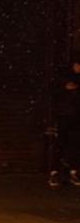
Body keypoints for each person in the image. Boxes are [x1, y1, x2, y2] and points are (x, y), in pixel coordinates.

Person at [50, 53, 80, 187]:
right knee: (61, 143)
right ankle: (56, 172)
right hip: (65, 117)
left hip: (73, 117)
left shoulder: (69, 81)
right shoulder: (63, 80)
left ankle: (71, 171)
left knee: (73, 144)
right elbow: (55, 94)